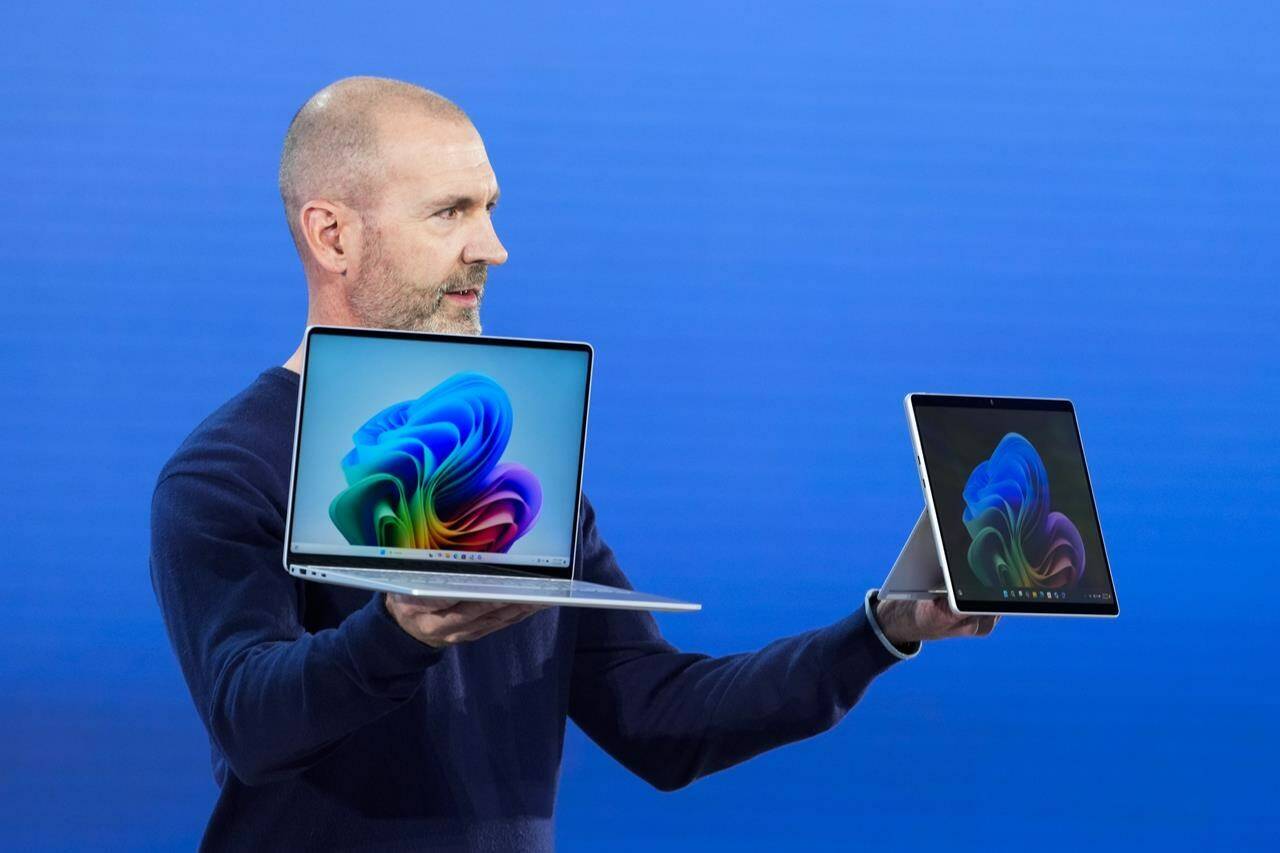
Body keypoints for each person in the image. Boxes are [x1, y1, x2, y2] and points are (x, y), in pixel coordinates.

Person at [149, 76, 998, 852]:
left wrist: (883, 630)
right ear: (332, 235)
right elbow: (249, 719)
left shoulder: (513, 472)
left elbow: (661, 719)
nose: (493, 246)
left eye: (489, 207)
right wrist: (399, 630)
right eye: (450, 212)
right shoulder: (224, 472)